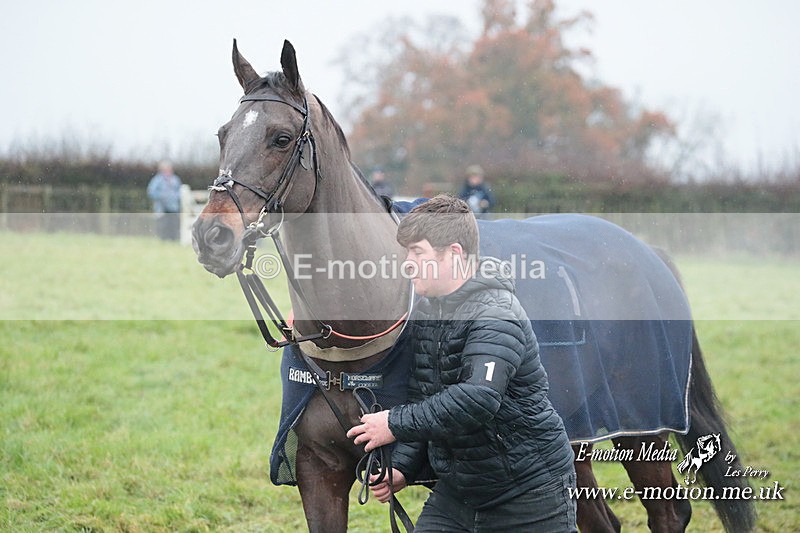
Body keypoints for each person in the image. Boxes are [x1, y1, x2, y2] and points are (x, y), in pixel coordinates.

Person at [347, 195, 577, 532]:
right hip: (457, 495)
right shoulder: (428, 313)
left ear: (454, 254)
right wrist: (403, 467)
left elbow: (476, 399)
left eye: (418, 253)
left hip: (530, 493)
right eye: (406, 253)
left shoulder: (497, 315)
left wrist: (392, 423)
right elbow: (423, 397)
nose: (407, 264)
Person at [146, 160, 182, 241]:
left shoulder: (175, 179)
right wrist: (162, 196)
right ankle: (163, 240)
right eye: (166, 169)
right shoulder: (157, 180)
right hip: (162, 207)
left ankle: (173, 239)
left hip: (174, 208)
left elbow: (180, 191)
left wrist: (175, 197)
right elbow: (151, 192)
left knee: (173, 224)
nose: (168, 171)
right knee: (163, 225)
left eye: (169, 169)